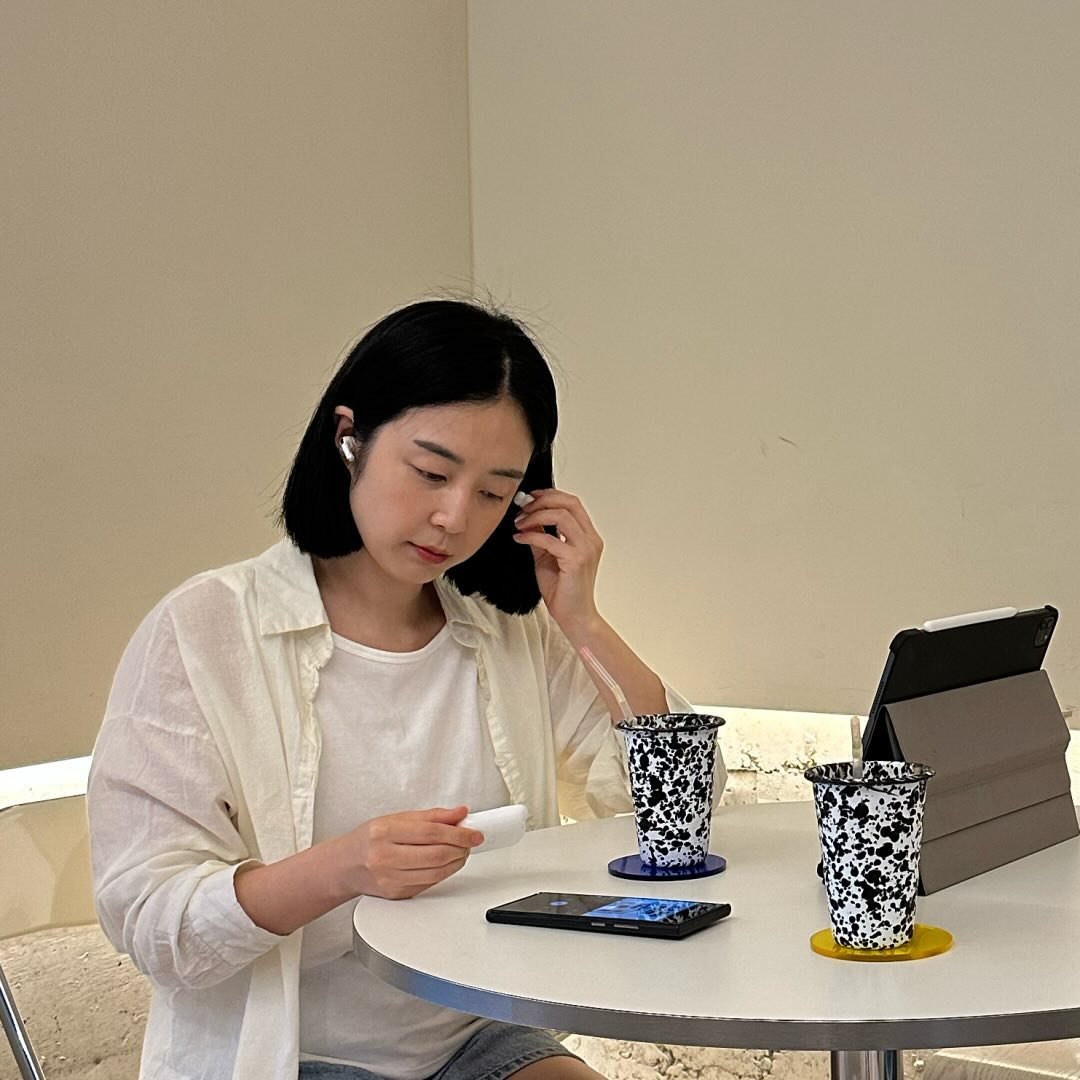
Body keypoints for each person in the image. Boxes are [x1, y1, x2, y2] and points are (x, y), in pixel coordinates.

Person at [88, 299, 726, 1080]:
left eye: (494, 492)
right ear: (348, 438)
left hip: (477, 1033)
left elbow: (680, 809)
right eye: (430, 473)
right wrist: (342, 869)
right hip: (292, 1054)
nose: (453, 518)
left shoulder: (509, 631)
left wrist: (584, 621)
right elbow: (152, 921)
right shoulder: (205, 631)